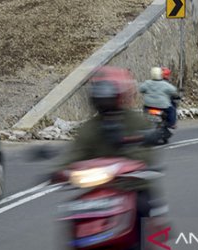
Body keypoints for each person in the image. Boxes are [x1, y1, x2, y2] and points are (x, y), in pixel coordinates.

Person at [56, 66, 167, 219]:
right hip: (98, 189)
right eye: (100, 96)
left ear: (119, 95)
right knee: (73, 214)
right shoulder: (90, 127)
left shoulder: (136, 122)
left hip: (132, 187)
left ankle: (144, 238)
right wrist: (59, 171)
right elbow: (76, 153)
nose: (104, 101)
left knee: (143, 208)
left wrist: (129, 154)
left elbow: (145, 157)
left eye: (108, 96)